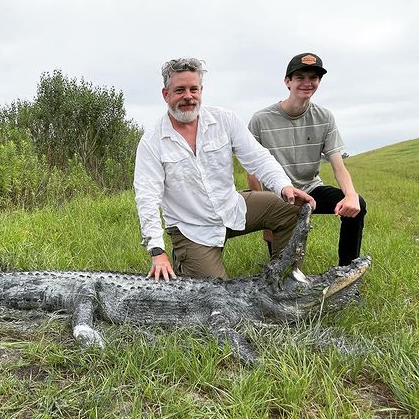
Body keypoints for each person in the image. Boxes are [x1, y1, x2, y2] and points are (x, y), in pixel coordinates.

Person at [134, 57, 315, 281]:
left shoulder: (224, 119)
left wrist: (284, 186)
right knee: (217, 293)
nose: (188, 97)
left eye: (194, 89)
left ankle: (284, 279)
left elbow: (258, 158)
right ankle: (185, 257)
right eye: (180, 90)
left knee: (293, 208)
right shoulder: (152, 141)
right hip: (193, 228)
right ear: (166, 94)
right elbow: (147, 196)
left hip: (232, 207)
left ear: (201, 90)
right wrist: (156, 250)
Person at [247, 53, 366, 266]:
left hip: (311, 190)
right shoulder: (260, 120)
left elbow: (338, 165)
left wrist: (350, 195)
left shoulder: (324, 117)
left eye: (313, 78)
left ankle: (346, 270)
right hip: (278, 196)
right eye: (300, 77)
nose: (307, 83)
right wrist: (266, 221)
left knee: (358, 206)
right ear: (287, 82)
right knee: (284, 266)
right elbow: (252, 170)